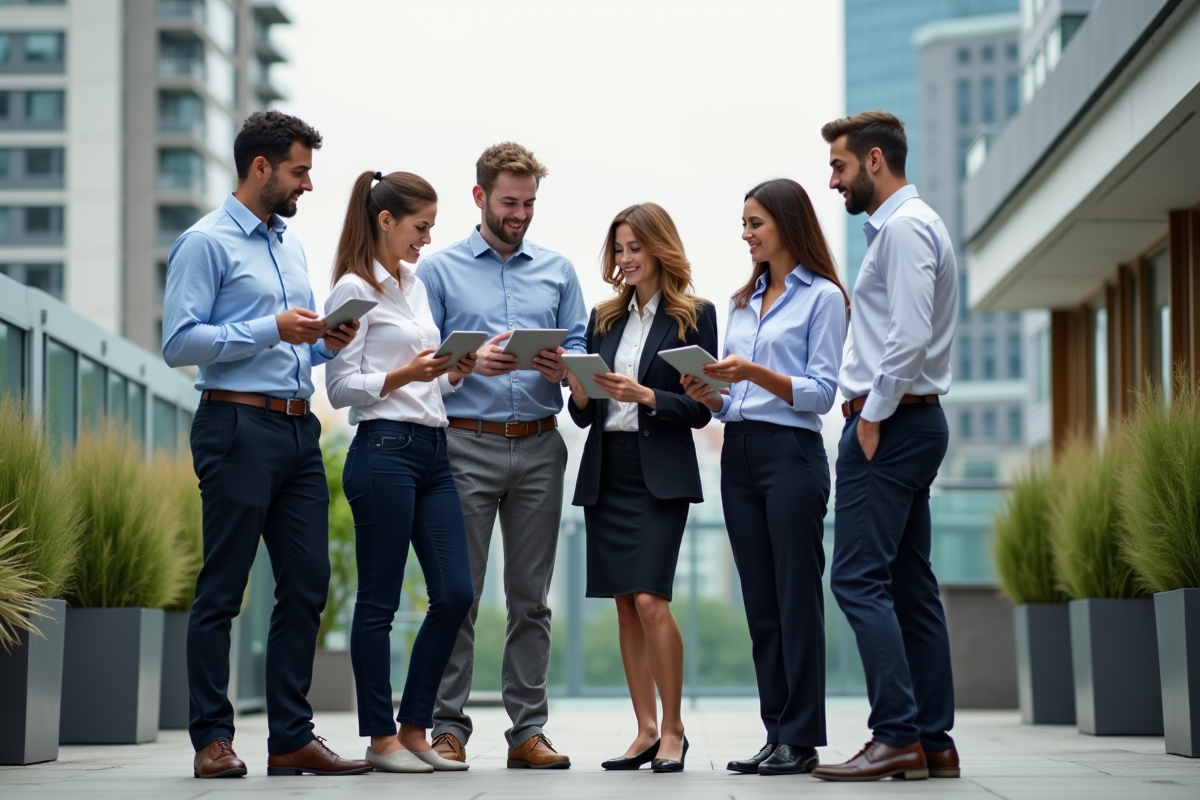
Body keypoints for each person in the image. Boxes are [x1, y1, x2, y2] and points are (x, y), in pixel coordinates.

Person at [163, 111, 371, 779]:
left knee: (307, 584)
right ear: (261, 168)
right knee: (223, 589)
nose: (307, 185)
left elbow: (288, 348)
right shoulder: (205, 243)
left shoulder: (290, 246)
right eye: (299, 170)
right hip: (235, 426)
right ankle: (212, 741)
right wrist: (269, 327)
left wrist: (320, 344)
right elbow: (178, 343)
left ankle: (291, 737)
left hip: (294, 427)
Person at [417, 142, 587, 769]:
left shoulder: (560, 271)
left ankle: (527, 733)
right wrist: (466, 364)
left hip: (542, 445)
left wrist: (564, 366)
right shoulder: (437, 272)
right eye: (510, 202)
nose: (520, 214)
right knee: (457, 593)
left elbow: (581, 363)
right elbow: (423, 366)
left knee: (531, 599)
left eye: (530, 203)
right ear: (480, 197)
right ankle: (447, 728)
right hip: (463, 444)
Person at [811, 111, 960, 783]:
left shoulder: (902, 230)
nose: (833, 180)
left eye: (839, 166)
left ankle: (896, 734)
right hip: (909, 422)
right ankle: (933, 742)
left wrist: (870, 415)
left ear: (874, 161)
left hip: (891, 425)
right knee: (907, 583)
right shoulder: (912, 227)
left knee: (855, 578)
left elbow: (907, 335)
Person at [684, 178, 848, 776]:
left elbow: (821, 394)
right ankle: (775, 730)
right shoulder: (741, 302)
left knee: (796, 598)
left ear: (786, 223)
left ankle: (801, 737)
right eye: (744, 223)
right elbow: (735, 402)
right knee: (760, 602)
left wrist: (754, 370)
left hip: (793, 455)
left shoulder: (824, 297)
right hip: (741, 451)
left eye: (755, 222)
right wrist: (712, 394)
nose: (746, 233)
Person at [324, 170, 479, 773]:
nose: (426, 240)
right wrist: (403, 377)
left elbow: (429, 375)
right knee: (380, 602)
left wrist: (455, 370)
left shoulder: (414, 286)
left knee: (456, 593)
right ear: (385, 220)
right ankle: (379, 736)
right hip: (382, 449)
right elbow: (339, 387)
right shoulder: (352, 290)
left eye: (432, 229)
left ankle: (415, 726)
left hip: (433, 451)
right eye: (420, 228)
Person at [566, 203, 717, 774]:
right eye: (619, 249)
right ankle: (645, 730)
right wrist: (579, 390)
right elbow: (583, 415)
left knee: (652, 600)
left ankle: (674, 730)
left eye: (635, 247)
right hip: (609, 468)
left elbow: (702, 411)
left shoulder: (693, 316)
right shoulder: (603, 319)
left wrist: (648, 396)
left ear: (660, 249)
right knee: (626, 607)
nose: (626, 259)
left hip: (660, 473)